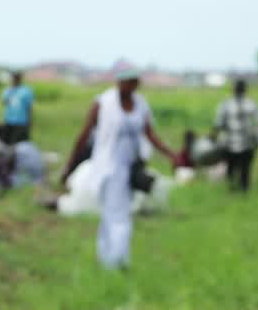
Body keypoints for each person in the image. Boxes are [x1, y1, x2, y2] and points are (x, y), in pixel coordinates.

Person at [61, 61, 177, 269]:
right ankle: (116, 261)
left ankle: (109, 258)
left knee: (115, 213)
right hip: (108, 168)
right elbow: (84, 135)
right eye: (128, 82)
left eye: (135, 82)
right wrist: (70, 165)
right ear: (119, 82)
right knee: (117, 214)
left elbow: (150, 134)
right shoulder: (103, 103)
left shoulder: (140, 104)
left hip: (131, 166)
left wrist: (170, 154)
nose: (132, 86)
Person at [213, 80, 258, 193]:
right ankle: (243, 192)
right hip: (246, 144)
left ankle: (232, 191)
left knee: (231, 169)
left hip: (230, 144)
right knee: (245, 170)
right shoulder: (250, 103)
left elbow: (218, 124)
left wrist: (212, 138)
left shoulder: (225, 104)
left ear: (233, 90)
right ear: (245, 90)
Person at [1, 73, 34, 144]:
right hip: (9, 120)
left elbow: (29, 107)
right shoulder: (8, 90)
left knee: (20, 142)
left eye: (16, 78)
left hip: (21, 121)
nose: (14, 80)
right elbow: (4, 102)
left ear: (20, 79)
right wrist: (10, 92)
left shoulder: (26, 91)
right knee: (7, 142)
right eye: (13, 78)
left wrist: (30, 120)